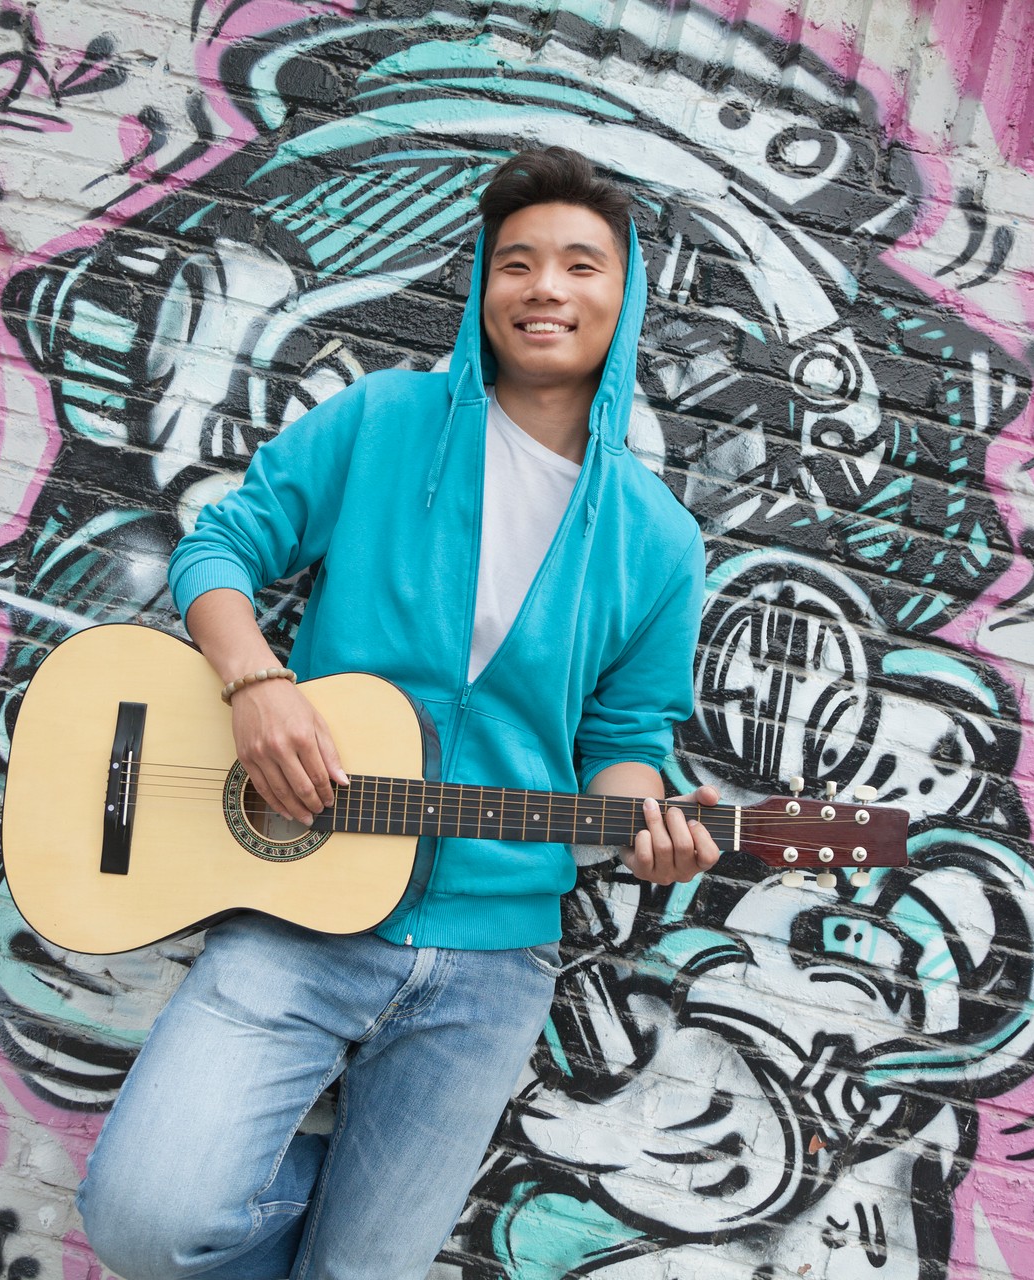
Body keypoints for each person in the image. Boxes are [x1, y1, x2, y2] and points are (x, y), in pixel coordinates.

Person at [75, 146, 720, 1279]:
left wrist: (644, 827)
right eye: (516, 262)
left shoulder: (658, 538)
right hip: (296, 912)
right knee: (143, 1216)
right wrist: (255, 682)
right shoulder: (381, 421)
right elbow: (221, 546)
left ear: (626, 299)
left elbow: (623, 746)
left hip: (491, 967)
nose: (547, 289)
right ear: (481, 282)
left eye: (582, 263)